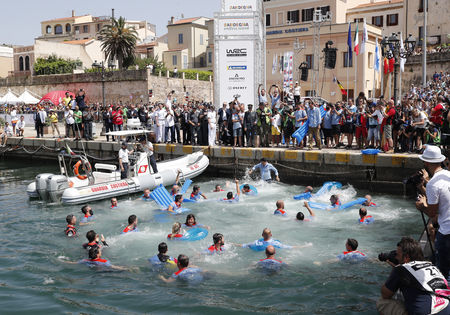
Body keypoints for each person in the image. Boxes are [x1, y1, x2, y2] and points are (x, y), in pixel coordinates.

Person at [377, 237, 450, 315]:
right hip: (446, 307)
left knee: (382, 302)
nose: (395, 257)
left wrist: (395, 269)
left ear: (406, 258)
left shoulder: (401, 269)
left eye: (397, 255)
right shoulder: (431, 265)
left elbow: (385, 294)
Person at [415, 145, 450, 279]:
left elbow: (432, 212)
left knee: (443, 273)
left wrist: (421, 206)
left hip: (446, 232)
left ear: (426, 162)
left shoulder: (433, 184)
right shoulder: (448, 174)